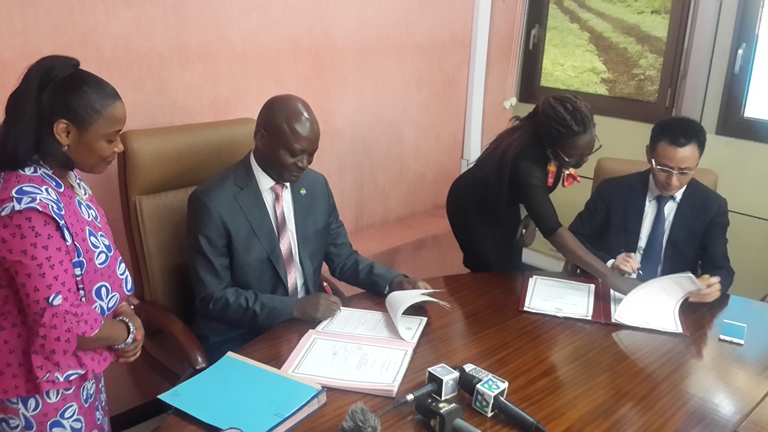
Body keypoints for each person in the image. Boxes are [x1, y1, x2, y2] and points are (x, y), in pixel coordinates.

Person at [187, 94, 431, 360]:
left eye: (311, 154)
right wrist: (294, 308)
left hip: (307, 326)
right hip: (243, 335)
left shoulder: (315, 187)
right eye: (294, 153)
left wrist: (394, 282)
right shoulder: (212, 203)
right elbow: (215, 298)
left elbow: (344, 259)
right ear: (260, 138)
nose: (304, 163)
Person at [0, 55, 143, 430]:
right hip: (38, 393)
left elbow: (97, 262)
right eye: (110, 138)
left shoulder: (66, 180)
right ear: (65, 132)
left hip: (77, 374)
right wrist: (127, 332)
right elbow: (60, 322)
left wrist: (124, 310)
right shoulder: (27, 210)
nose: (119, 147)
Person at [446, 94, 635, 293]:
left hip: (503, 202)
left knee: (510, 271)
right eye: (574, 157)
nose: (582, 162)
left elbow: (542, 188)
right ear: (551, 145)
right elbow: (554, 231)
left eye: (588, 153)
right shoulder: (526, 163)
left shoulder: (554, 148)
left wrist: (533, 216)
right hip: (472, 206)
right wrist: (612, 278)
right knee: (492, 275)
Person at [569, 117, 733, 302]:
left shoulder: (711, 206)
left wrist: (714, 285)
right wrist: (609, 263)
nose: (672, 181)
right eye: (663, 168)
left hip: (672, 300)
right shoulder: (613, 190)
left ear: (697, 162)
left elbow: (720, 267)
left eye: (684, 171)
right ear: (649, 154)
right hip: (613, 292)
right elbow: (575, 238)